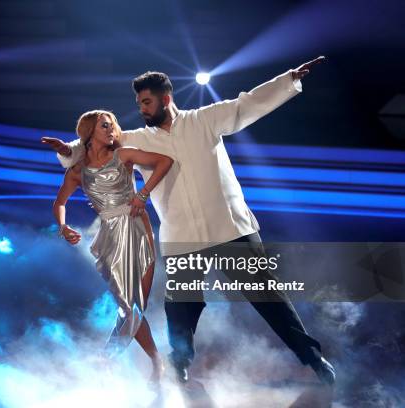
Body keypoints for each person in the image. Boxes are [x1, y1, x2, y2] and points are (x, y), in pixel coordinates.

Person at [42, 56, 336, 385]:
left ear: (166, 99)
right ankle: (179, 363)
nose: (142, 109)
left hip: (229, 226)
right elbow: (96, 144)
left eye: (147, 101)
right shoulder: (136, 138)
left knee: (266, 296)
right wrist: (67, 150)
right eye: (139, 104)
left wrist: (287, 79)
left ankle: (313, 359)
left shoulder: (204, 119)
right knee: (181, 304)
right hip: (182, 235)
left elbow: (247, 104)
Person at [52, 109, 173, 382]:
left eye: (113, 125)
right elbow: (59, 202)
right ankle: (152, 359)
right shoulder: (78, 171)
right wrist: (63, 227)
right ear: (89, 132)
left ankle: (111, 357)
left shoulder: (123, 155)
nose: (111, 130)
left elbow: (165, 161)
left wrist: (142, 195)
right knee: (129, 308)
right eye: (104, 126)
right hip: (109, 237)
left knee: (135, 307)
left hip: (138, 229)